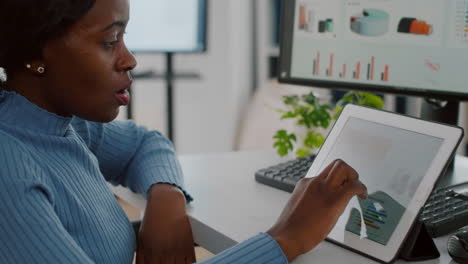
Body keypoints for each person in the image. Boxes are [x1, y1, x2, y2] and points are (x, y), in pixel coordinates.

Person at [0, 0, 368, 263]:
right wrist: (285, 239)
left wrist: (166, 196)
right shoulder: (9, 170)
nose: (129, 59)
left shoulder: (66, 125)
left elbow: (146, 144)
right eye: (110, 41)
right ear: (37, 55)